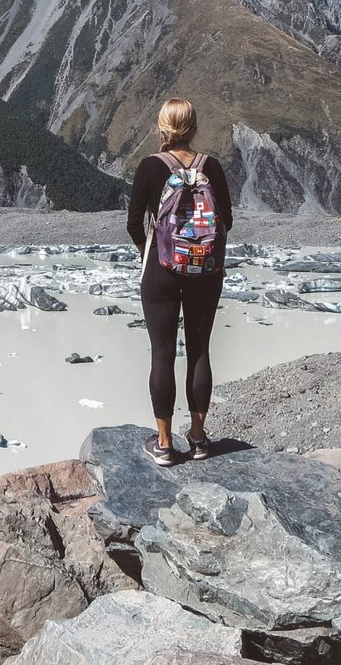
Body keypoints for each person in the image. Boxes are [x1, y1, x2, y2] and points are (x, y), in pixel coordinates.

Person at [127, 98, 233, 466]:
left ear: (162, 128)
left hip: (162, 271)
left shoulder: (150, 167)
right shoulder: (212, 167)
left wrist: (151, 252)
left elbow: (132, 223)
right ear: (193, 127)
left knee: (162, 353)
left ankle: (164, 444)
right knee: (199, 351)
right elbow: (227, 222)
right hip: (206, 271)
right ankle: (200, 438)